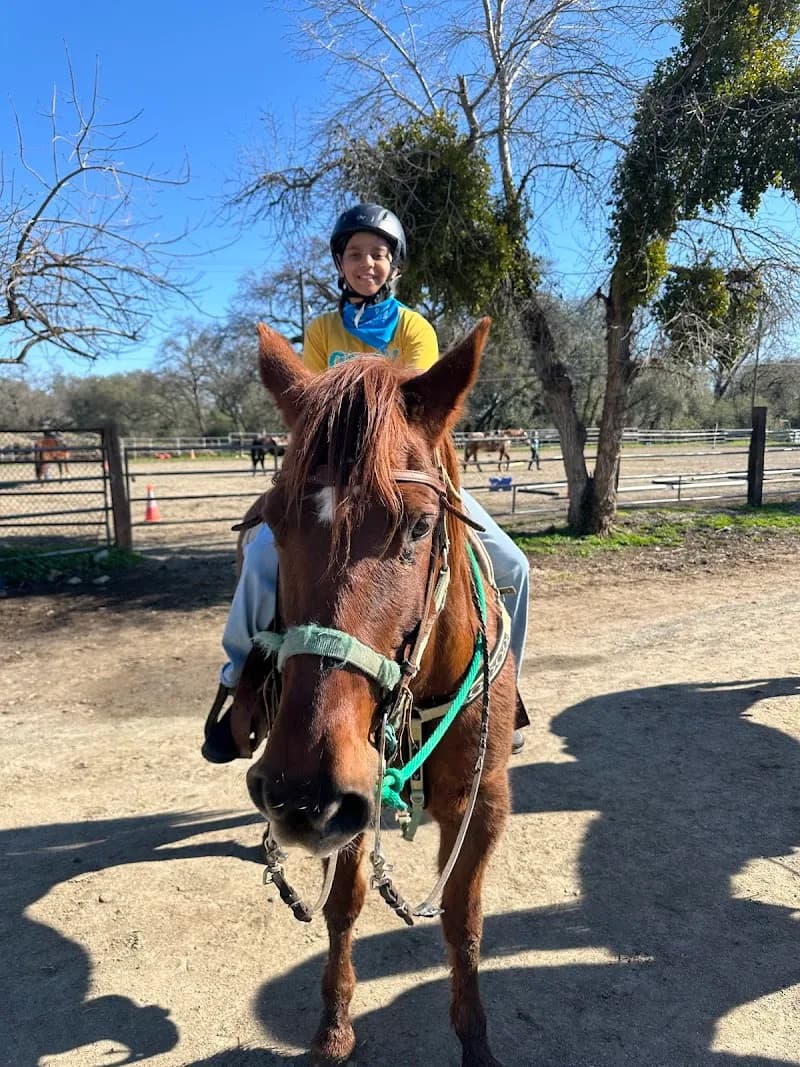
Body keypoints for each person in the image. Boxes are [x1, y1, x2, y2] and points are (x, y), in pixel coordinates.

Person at [202, 203, 529, 762]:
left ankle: (504, 688)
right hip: (332, 474)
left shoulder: (413, 329)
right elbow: (309, 406)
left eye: (378, 254)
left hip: (402, 475)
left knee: (514, 566)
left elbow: (420, 412)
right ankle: (236, 683)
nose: (366, 263)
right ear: (339, 262)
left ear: (394, 266)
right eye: (354, 253)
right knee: (260, 556)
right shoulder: (322, 330)